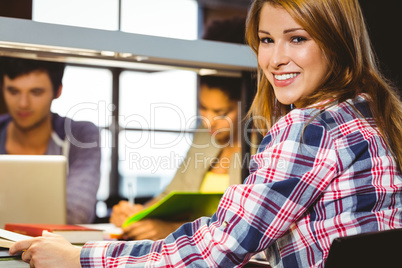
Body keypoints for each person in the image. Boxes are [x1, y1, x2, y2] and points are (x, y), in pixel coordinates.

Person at [9, 0, 402, 267]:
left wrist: (79, 258)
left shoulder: (309, 128)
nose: (275, 58)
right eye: (266, 40)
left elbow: (219, 247)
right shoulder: (366, 114)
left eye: (297, 38)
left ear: (336, 42)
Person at [109, 17, 247, 241]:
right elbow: (170, 196)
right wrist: (137, 214)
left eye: (221, 112)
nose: (209, 120)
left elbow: (244, 226)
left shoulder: (264, 145)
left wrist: (172, 229)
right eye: (203, 107)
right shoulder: (204, 135)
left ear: (247, 103)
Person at [0, 56, 101, 224]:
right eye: (13, 91)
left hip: (55, 249)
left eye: (36, 92)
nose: (23, 103)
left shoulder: (80, 135)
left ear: (58, 91)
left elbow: (77, 214)